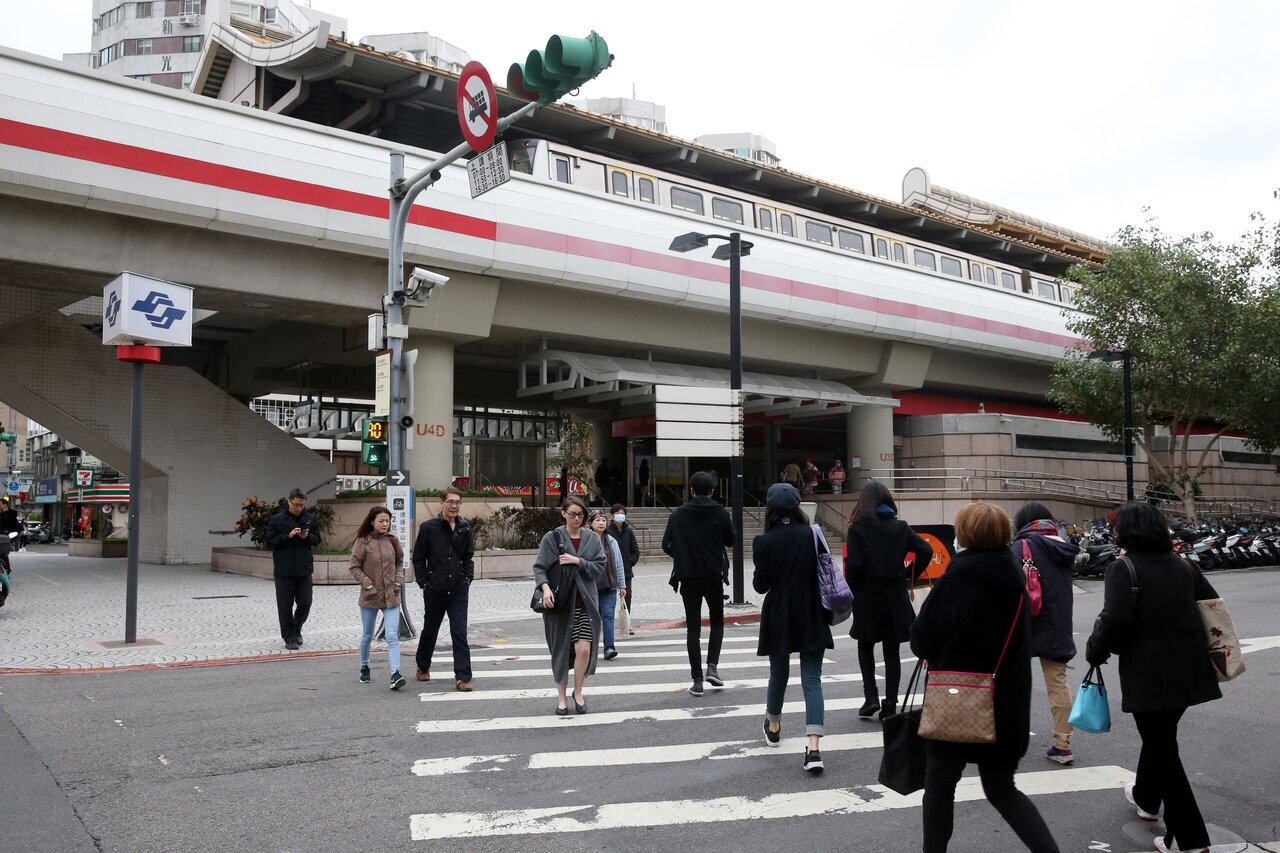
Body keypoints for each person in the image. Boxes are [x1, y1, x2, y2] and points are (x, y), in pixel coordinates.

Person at [911, 503, 1060, 853]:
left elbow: (921, 639)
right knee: (1002, 788)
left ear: (964, 535)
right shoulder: (1016, 579)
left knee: (940, 784)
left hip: (955, 699)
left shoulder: (956, 579)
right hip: (1005, 705)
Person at [1086, 501, 1221, 853]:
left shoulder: (1123, 568)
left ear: (1126, 532)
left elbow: (1114, 620)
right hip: (1191, 671)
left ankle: (1190, 840)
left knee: (1163, 750)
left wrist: (1095, 650)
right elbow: (1210, 605)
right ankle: (1146, 800)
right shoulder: (1184, 566)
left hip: (1149, 675)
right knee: (1160, 737)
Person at [753, 483, 832, 774]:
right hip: (812, 609)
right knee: (812, 679)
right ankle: (813, 749)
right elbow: (825, 569)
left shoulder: (764, 542)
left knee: (779, 673)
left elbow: (760, 586)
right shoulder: (813, 534)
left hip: (779, 611)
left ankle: (773, 726)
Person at [844, 481, 933, 720]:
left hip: (866, 596)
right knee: (891, 650)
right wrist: (907, 573)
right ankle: (891, 704)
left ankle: (870, 696)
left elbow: (854, 565)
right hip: (894, 596)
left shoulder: (858, 529)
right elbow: (926, 550)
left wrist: (849, 589)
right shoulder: (900, 527)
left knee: (865, 644)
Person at [1011, 502, 1082, 766]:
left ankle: (1009, 738)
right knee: (1058, 684)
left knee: (1014, 683)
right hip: (1057, 624)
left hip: (1024, 625)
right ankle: (1063, 744)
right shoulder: (1062, 547)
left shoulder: (1021, 547)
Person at [662, 470, 735, 696]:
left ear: (691, 490)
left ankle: (697, 680)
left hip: (688, 578)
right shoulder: (720, 513)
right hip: (713, 576)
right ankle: (712, 666)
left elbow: (666, 544)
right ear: (712, 490)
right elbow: (731, 541)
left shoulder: (677, 515)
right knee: (717, 622)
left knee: (693, 629)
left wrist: (683, 554)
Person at [533, 496, 606, 715]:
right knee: (561, 651)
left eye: (581, 515)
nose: (576, 518)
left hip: (585, 603)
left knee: (584, 649)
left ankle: (579, 691)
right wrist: (544, 589)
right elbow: (539, 568)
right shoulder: (552, 538)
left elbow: (599, 566)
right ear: (563, 513)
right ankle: (561, 698)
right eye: (572, 514)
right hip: (560, 604)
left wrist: (578, 561)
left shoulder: (592, 538)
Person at [413, 487, 476, 692]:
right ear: (442, 503)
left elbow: (468, 556)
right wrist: (424, 582)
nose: (454, 505)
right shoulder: (428, 528)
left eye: (458, 502)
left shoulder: (464, 527)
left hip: (458, 589)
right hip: (435, 589)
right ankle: (423, 666)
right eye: (450, 502)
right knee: (430, 630)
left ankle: (463, 677)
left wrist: (467, 577)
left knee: (459, 632)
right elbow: (419, 558)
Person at [347, 505, 407, 689]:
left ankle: (395, 674)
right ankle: (365, 666)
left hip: (391, 595)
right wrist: (368, 585)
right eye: (381, 521)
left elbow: (399, 562)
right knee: (367, 635)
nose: (384, 524)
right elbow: (354, 567)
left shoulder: (393, 540)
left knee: (391, 635)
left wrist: (398, 582)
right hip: (370, 596)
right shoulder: (362, 542)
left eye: (387, 521)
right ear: (372, 521)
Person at [265, 489, 320, 650]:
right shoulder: (277, 520)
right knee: (285, 605)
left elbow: (317, 539)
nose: (298, 508)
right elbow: (270, 541)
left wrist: (307, 537)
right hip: (284, 570)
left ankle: (297, 629)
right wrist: (287, 536)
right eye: (296, 505)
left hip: (304, 569)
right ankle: (289, 637)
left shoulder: (310, 519)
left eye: (302, 505)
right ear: (289, 502)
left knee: (306, 602)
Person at [589, 510, 627, 659]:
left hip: (609, 586)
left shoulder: (611, 541)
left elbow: (618, 564)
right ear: (591, 523)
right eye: (597, 520)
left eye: (603, 520)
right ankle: (590, 648)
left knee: (608, 616)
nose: (601, 523)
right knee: (591, 618)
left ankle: (609, 648)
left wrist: (622, 585)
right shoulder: (585, 540)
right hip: (590, 587)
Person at [608, 503, 640, 624]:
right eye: (617, 513)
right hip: (611, 571)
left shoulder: (629, 532)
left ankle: (626, 624)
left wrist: (630, 561)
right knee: (609, 599)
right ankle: (608, 622)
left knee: (627, 597)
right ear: (612, 515)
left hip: (626, 571)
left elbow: (635, 550)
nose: (620, 516)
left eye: (622, 513)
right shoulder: (608, 531)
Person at [0, 497, 19, 572]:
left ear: (5, 505)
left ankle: (7, 569)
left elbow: (9, 521)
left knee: (3, 553)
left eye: (0, 504)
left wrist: (4, 512)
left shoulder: (13, 513)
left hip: (7, 536)